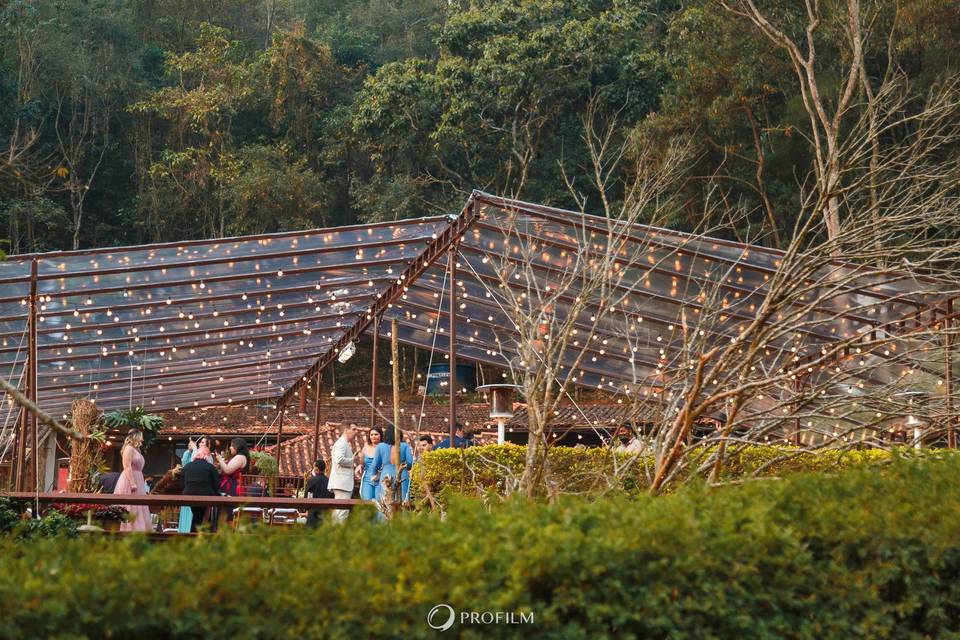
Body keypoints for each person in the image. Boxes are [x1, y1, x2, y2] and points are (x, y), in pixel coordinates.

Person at [113, 429, 151, 532]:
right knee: (130, 505)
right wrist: (132, 483)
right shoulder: (128, 448)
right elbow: (127, 466)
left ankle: (139, 528)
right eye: (141, 437)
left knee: (138, 505)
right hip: (130, 479)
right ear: (136, 437)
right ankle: (127, 528)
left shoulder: (136, 450)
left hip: (138, 477)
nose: (142, 440)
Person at [180, 447, 220, 533]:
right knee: (201, 515)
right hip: (206, 496)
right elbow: (217, 484)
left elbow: (182, 484)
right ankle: (202, 534)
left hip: (188, 495)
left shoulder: (187, 466)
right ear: (206, 456)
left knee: (197, 514)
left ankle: (194, 534)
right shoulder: (210, 467)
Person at [371, 427, 414, 505]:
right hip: (402, 475)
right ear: (400, 435)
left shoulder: (380, 446)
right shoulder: (405, 446)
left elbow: (375, 465)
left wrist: (373, 475)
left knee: (386, 503)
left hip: (386, 475)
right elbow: (410, 463)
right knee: (403, 502)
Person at [215, 438, 249, 524]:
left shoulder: (240, 457)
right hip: (232, 486)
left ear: (237, 447)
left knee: (229, 512)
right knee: (226, 511)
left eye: (232, 445)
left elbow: (228, 470)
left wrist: (219, 459)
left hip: (232, 488)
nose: (230, 447)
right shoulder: (239, 456)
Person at [328, 423, 357, 522]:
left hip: (342, 482)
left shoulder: (343, 443)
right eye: (353, 429)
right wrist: (353, 460)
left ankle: (334, 534)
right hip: (342, 483)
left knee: (339, 512)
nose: (356, 432)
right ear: (346, 430)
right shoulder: (341, 443)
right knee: (342, 512)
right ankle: (338, 536)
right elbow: (339, 459)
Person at [177, 438, 198, 533]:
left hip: (194, 486)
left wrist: (195, 449)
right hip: (187, 485)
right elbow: (184, 463)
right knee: (186, 509)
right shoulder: (187, 454)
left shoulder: (198, 454)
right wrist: (189, 450)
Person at [305, 459, 333, 527]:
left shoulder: (311, 481)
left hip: (313, 515)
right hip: (325, 515)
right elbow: (332, 496)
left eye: (314, 467)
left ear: (317, 469)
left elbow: (306, 498)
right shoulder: (329, 481)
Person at [359, 427, 383, 500]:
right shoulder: (365, 448)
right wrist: (359, 467)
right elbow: (362, 464)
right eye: (371, 434)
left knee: (380, 505)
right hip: (367, 479)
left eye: (376, 434)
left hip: (381, 480)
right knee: (366, 504)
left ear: (381, 435)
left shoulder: (384, 448)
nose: (373, 436)